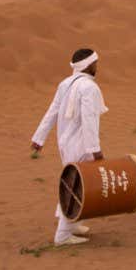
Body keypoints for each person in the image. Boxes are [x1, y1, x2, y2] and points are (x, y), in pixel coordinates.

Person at [30, 48, 107, 246]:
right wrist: (95, 150)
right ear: (88, 65)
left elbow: (52, 111)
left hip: (65, 142)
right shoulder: (89, 88)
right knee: (77, 185)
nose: (97, 66)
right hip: (82, 144)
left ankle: (73, 224)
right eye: (95, 63)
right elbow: (89, 120)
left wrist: (39, 137)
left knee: (75, 182)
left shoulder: (65, 83)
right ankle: (63, 235)